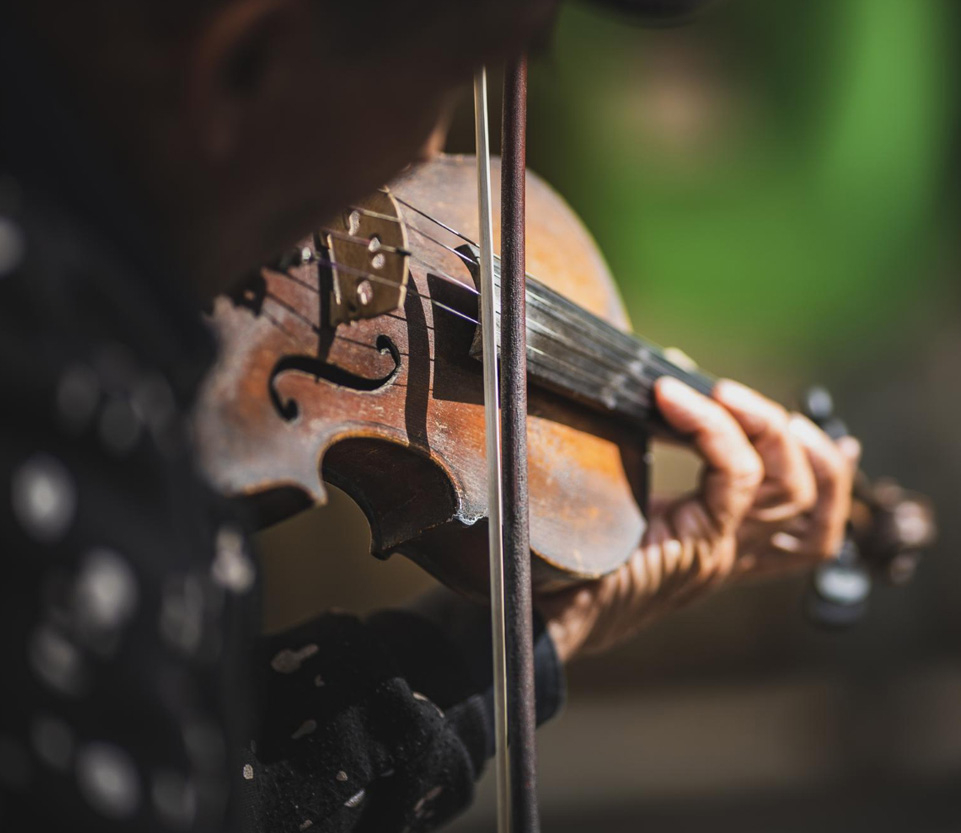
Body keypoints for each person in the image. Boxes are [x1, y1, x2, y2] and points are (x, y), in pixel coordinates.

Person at [0, 1, 858, 831]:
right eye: (449, 82)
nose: (430, 160)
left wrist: (542, 629)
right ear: (246, 57)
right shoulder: (64, 423)